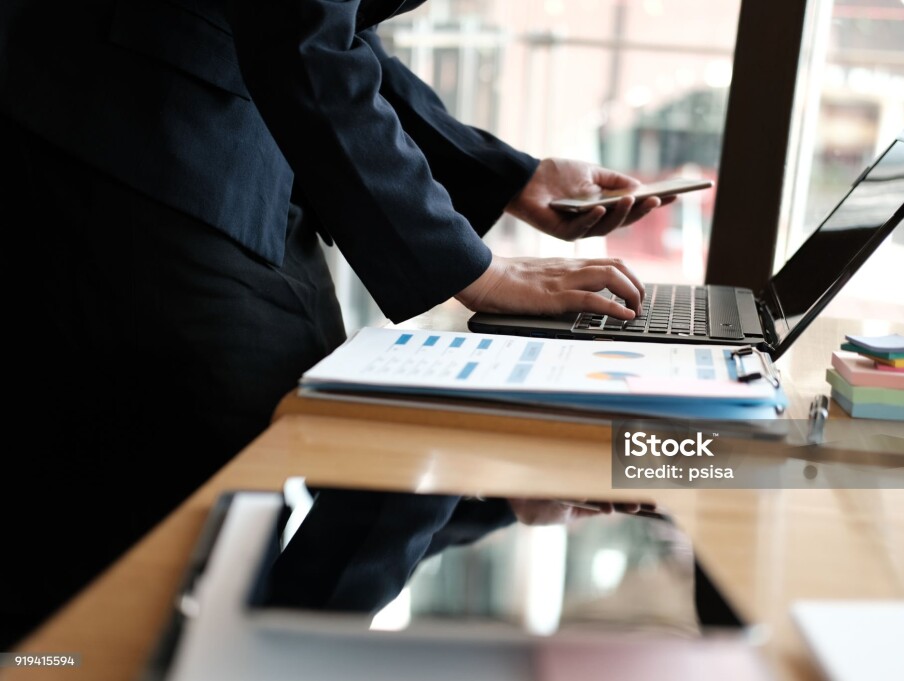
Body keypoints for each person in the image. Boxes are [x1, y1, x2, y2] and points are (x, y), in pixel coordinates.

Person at [0, 0, 671, 646]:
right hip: (132, 125)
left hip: (220, 123)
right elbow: (301, 30)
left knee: (306, 430)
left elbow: (335, 30)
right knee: (240, 447)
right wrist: (481, 274)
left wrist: (503, 176)